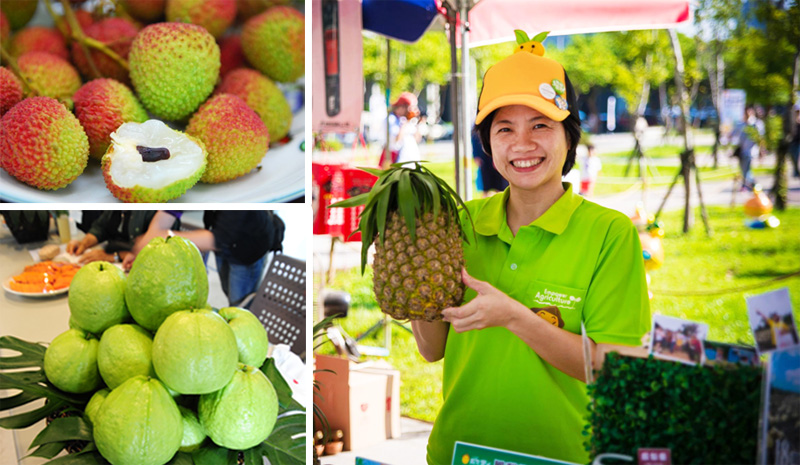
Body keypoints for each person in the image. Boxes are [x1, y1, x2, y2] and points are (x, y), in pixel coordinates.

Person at [412, 36, 650, 464]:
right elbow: (432, 349)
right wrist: (413, 281)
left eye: (540, 125)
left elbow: (617, 372)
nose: (522, 144)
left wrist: (514, 318)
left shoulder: (609, 234)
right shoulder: (460, 223)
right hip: (460, 452)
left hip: (560, 456)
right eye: (504, 128)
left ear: (569, 136)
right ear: (487, 143)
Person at [124, 211, 284, 306]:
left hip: (249, 245)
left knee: (239, 302)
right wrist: (148, 240)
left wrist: (160, 237)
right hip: (225, 241)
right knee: (227, 288)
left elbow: (217, 239)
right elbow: (172, 208)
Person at [67, 211, 179, 264]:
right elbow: (100, 227)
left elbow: (147, 249)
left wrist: (114, 256)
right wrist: (84, 243)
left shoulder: (155, 212)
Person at [379, 92, 421, 167]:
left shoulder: (404, 120)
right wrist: (405, 123)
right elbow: (396, 140)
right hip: (393, 157)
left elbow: (417, 139)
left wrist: (417, 123)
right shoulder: (391, 119)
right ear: (401, 107)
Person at [732, 106, 764, 191]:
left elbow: (760, 139)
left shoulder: (756, 124)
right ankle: (750, 185)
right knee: (744, 170)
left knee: (747, 170)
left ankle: (750, 186)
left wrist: (762, 151)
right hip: (742, 151)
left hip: (751, 151)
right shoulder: (741, 124)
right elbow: (734, 135)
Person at [472, 125, 508, 197]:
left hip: (496, 157)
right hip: (485, 159)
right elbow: (474, 138)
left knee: (500, 185)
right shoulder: (478, 126)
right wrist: (476, 156)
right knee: (486, 185)